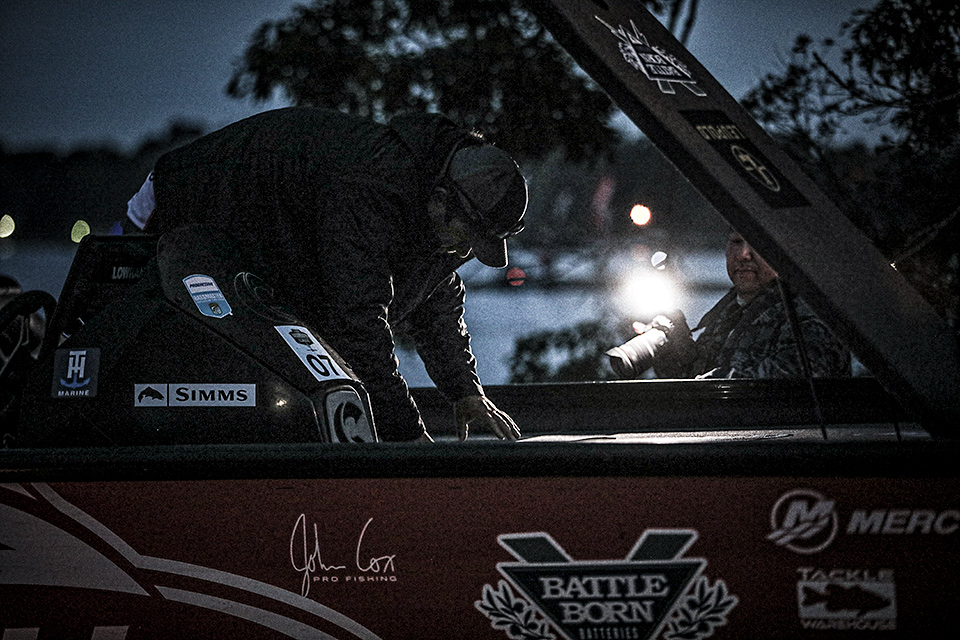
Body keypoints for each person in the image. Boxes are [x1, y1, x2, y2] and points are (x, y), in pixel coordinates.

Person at [125, 107, 526, 443]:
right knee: (175, 358)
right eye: (467, 237)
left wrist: (465, 392)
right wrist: (407, 436)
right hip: (184, 201)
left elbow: (435, 297)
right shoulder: (370, 188)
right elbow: (357, 323)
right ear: (441, 201)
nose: (465, 252)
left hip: (270, 240)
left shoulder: (437, 203)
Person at [608, 232, 851, 379]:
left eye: (758, 243)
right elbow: (693, 389)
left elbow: (780, 386)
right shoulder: (727, 313)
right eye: (736, 241)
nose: (744, 254)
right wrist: (676, 352)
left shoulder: (809, 313)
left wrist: (700, 387)